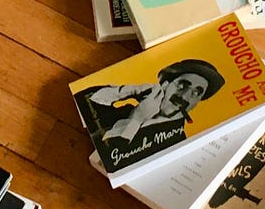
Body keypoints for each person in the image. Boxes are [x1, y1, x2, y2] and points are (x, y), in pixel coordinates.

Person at [74, 58, 225, 147]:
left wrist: (137, 120)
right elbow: (80, 104)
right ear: (165, 84)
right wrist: (127, 91)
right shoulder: (128, 110)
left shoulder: (174, 142)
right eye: (182, 85)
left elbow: (111, 155)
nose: (185, 96)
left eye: (197, 93)